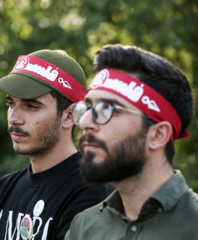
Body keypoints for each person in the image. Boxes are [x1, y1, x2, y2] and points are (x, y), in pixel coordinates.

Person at [65, 44, 198, 240]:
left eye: (108, 109)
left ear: (158, 135)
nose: (85, 122)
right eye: (88, 107)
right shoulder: (84, 227)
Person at [0, 49, 114, 240]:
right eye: (11, 103)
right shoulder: (5, 188)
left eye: (31, 106)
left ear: (70, 115)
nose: (14, 118)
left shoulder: (92, 193)